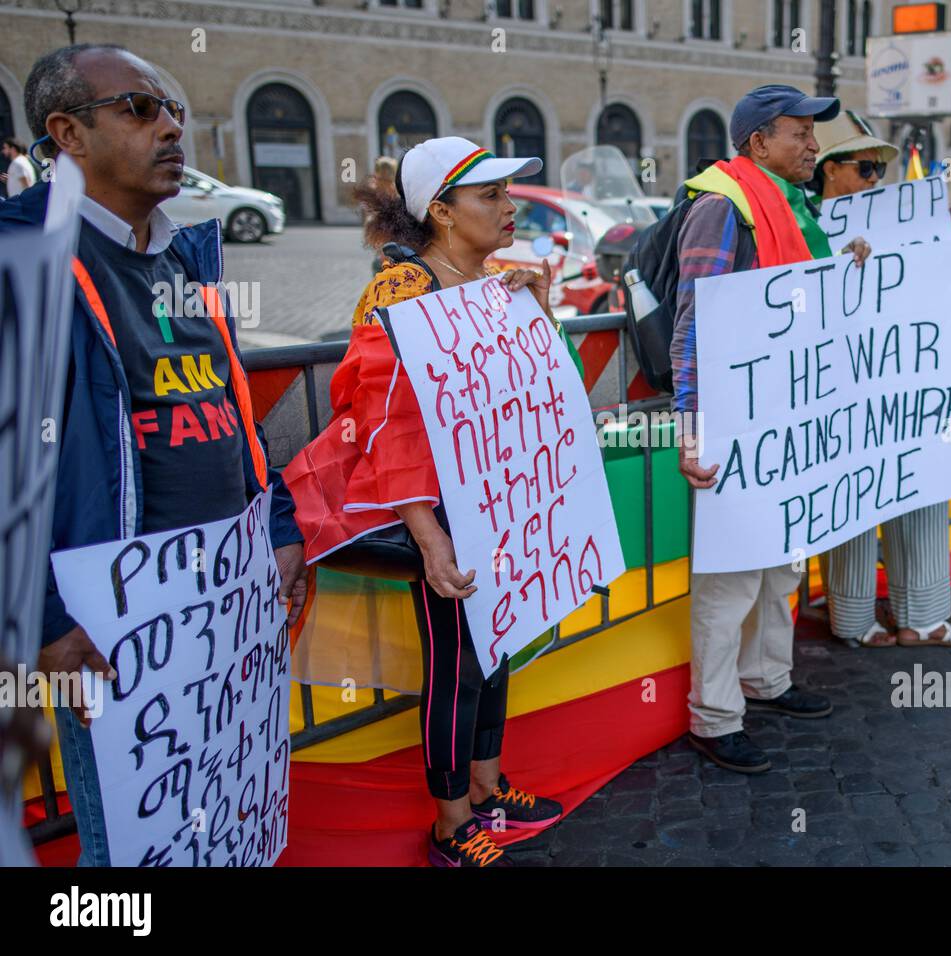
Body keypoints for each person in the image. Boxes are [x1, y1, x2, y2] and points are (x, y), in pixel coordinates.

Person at [0, 44, 309, 865]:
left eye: (173, 109)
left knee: (217, 812)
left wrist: (277, 524)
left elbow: (230, 408)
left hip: (220, 607)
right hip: (105, 623)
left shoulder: (186, 255)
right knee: (133, 844)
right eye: (140, 109)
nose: (172, 127)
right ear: (66, 132)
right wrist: (43, 620)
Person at [283, 136, 568, 867]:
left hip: (496, 499)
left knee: (495, 644)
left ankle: (489, 787)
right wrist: (428, 534)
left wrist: (540, 312)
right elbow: (387, 420)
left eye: (508, 194)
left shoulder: (495, 281)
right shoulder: (402, 290)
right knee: (455, 661)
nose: (510, 208)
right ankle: (451, 825)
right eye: (491, 197)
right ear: (441, 211)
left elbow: (538, 393)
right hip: (434, 509)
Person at [670, 85, 870, 775]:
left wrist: (851, 271)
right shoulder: (720, 207)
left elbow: (803, 300)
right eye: (800, 134)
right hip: (734, 421)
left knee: (783, 564)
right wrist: (691, 429)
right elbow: (694, 321)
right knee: (729, 581)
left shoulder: (793, 206)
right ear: (758, 142)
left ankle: (767, 680)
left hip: (788, 419)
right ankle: (715, 716)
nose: (814, 146)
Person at [809, 111, 951, 649]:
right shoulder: (807, 227)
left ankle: (922, 616)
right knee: (854, 496)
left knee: (920, 487)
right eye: (865, 168)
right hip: (845, 387)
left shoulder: (906, 223)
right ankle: (853, 619)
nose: (876, 180)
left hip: (909, 386)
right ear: (831, 171)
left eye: (881, 170)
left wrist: (944, 240)